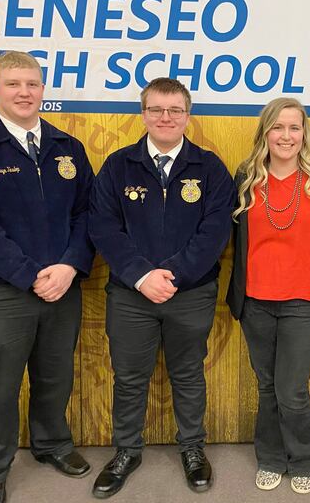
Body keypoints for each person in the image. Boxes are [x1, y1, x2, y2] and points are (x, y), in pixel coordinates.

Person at [0, 51, 95, 503]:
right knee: (0, 384)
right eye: (13, 84)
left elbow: (89, 214)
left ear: (42, 89)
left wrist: (69, 265)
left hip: (62, 287)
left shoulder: (68, 148)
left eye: (32, 84)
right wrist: (31, 275)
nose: (24, 92)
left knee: (55, 376)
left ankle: (52, 444)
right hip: (1, 291)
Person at [88, 77, 235, 498]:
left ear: (187, 116)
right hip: (130, 295)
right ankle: (126, 451)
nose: (165, 117)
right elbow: (103, 227)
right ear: (143, 114)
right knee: (129, 377)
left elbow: (214, 232)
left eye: (174, 110)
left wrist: (171, 276)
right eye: (156, 109)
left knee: (187, 374)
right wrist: (141, 276)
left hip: (190, 294)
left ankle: (192, 448)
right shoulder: (118, 166)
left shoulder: (210, 168)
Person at [226, 98, 310, 495]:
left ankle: (305, 458)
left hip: (303, 302)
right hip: (255, 302)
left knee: (291, 390)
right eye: (277, 127)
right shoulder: (246, 177)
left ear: (304, 133)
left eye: (294, 127)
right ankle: (271, 458)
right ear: (265, 132)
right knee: (266, 386)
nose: (286, 136)